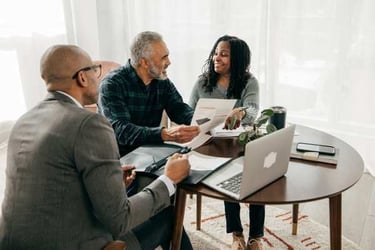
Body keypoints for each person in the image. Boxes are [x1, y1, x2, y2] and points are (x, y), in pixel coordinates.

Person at [0, 44, 193, 250]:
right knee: (169, 216)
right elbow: (120, 219)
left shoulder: (23, 121)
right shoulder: (89, 124)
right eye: (94, 69)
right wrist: (169, 179)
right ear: (82, 77)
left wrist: (108, 180)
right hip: (72, 244)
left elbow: (54, 183)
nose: (97, 76)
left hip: (12, 243)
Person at [189, 35, 265, 250]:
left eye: (223, 54)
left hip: (241, 143)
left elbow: (252, 111)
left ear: (238, 59)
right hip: (210, 143)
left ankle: (256, 237)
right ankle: (236, 233)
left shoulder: (249, 82)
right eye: (215, 53)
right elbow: (188, 111)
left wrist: (240, 112)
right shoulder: (202, 83)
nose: (217, 58)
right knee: (227, 170)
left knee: (257, 174)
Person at [98, 31, 200, 156]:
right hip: (120, 159)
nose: (169, 62)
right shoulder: (112, 84)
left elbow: (179, 109)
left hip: (151, 153)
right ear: (144, 62)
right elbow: (121, 131)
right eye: (164, 57)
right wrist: (164, 134)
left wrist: (201, 121)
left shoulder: (162, 81)